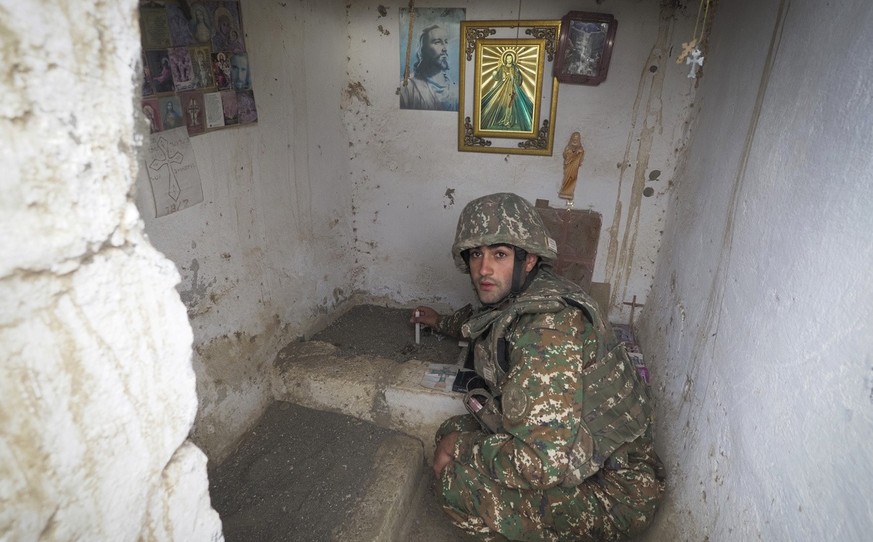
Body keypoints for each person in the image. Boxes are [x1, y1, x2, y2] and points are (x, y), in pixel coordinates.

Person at [411, 193, 664, 541]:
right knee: (451, 429)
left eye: (499, 254)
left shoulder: (547, 332)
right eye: (476, 254)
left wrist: (460, 447)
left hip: (616, 491)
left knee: (454, 482)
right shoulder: (530, 292)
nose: (484, 268)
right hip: (583, 453)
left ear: (528, 259)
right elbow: (486, 320)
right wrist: (441, 322)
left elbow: (540, 463)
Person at [399, 24, 458, 111]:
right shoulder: (407, 89)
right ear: (423, 49)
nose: (445, 48)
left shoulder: (455, 89)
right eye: (437, 42)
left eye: (446, 41)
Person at [479, 51, 533, 132]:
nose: (509, 59)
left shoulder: (515, 68)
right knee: (501, 103)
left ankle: (509, 121)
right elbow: (497, 77)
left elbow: (519, 79)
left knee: (510, 104)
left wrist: (514, 76)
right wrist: (496, 70)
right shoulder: (502, 67)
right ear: (505, 59)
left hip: (512, 88)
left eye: (510, 58)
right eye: (507, 58)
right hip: (503, 89)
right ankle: (502, 119)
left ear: (512, 59)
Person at [559, 131, 585, 200]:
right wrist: (573, 153)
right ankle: (565, 191)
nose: (575, 140)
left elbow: (581, 158)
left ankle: (569, 192)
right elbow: (565, 155)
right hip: (568, 166)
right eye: (574, 138)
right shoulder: (568, 147)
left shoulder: (581, 149)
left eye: (577, 138)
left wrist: (579, 153)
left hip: (574, 168)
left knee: (572, 178)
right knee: (567, 178)